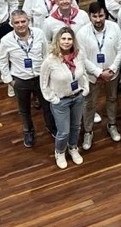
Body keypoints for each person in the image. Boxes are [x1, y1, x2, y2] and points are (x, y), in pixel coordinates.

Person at [0, 9, 56, 148]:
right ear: (11, 24)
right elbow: (2, 60)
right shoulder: (6, 40)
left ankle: (51, 126)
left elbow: (46, 54)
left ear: (28, 21)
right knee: (24, 109)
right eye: (16, 22)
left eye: (23, 21)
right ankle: (28, 131)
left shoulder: (39, 33)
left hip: (41, 77)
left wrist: (49, 73)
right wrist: (9, 80)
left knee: (47, 105)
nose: (20, 25)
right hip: (21, 80)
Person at [40, 27, 93, 169]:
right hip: (61, 101)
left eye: (69, 39)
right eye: (63, 38)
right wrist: (53, 99)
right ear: (58, 40)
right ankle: (60, 152)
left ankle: (73, 147)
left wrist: (85, 89)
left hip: (78, 97)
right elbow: (44, 83)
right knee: (64, 132)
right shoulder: (50, 60)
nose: (66, 42)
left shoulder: (79, 55)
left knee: (76, 126)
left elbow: (83, 74)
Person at [77, 2, 121, 149]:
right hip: (92, 76)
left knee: (112, 99)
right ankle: (88, 131)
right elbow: (82, 57)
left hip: (111, 74)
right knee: (89, 104)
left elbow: (120, 50)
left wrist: (112, 69)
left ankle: (112, 124)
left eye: (101, 16)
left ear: (106, 15)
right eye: (95, 16)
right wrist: (98, 72)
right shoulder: (82, 33)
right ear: (90, 16)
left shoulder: (115, 27)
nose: (98, 19)